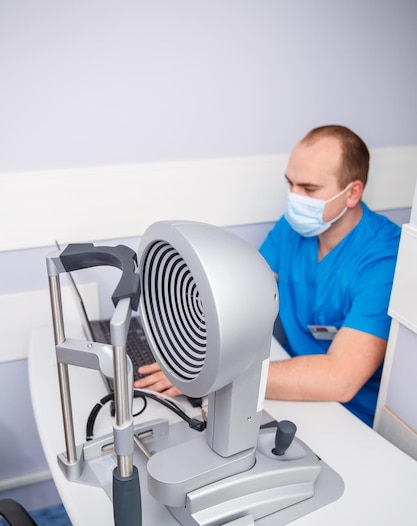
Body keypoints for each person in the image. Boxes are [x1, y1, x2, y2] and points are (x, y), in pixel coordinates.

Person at [134, 124, 400, 429]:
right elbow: (244, 296)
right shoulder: (292, 229)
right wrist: (181, 351)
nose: (294, 199)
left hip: (348, 415)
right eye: (290, 184)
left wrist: (214, 374)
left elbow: (341, 379)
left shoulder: (385, 258)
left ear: (352, 192)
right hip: (287, 391)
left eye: (309, 189)